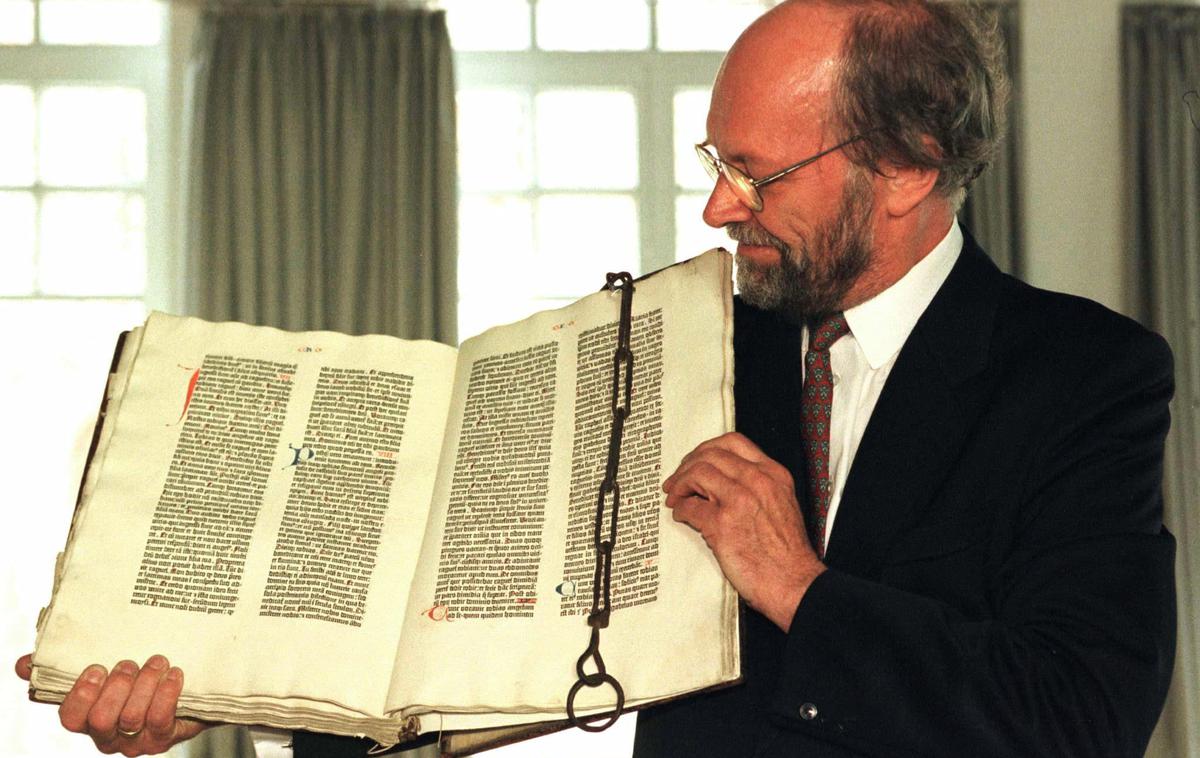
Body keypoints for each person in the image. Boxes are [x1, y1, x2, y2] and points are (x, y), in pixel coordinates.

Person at [16, 0, 1177, 756]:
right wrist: (227, 686)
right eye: (716, 162)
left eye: (756, 172)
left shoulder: (1085, 377)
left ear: (910, 169)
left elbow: (1079, 717)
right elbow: (470, 633)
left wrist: (800, 588)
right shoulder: (686, 346)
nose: (720, 206)